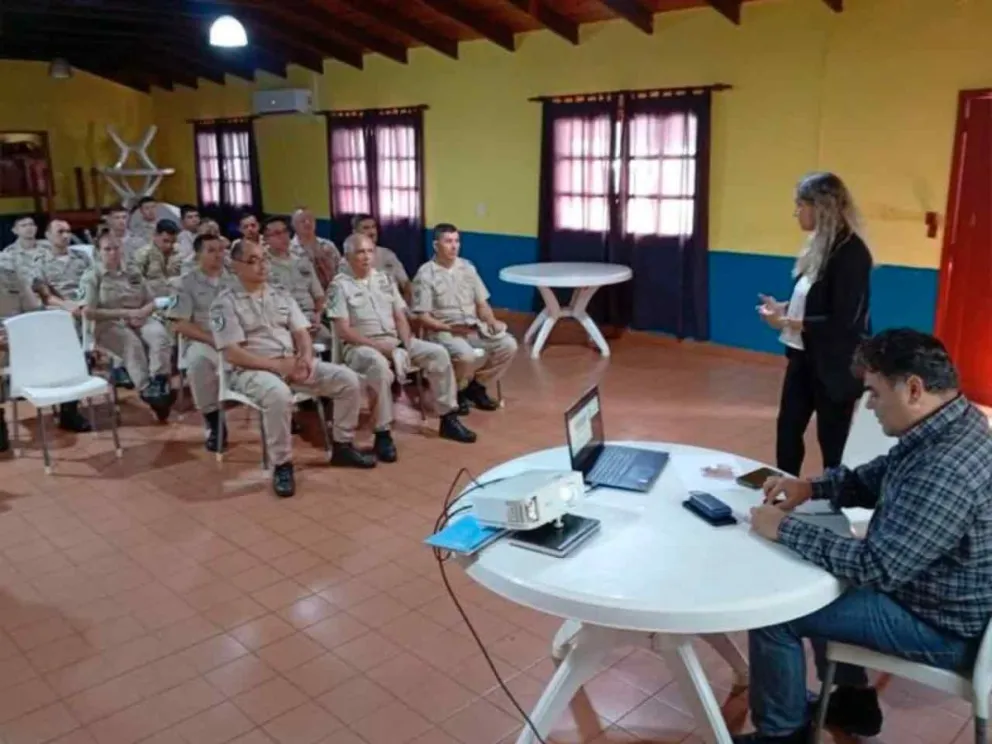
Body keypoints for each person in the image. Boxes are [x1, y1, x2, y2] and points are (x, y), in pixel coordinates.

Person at [738, 329, 992, 744]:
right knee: (819, 582)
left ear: (913, 388)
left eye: (874, 393)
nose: (869, 405)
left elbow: (877, 568)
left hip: (945, 627)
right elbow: (879, 477)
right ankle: (854, 703)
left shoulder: (946, 469)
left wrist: (784, 528)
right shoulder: (953, 423)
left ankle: (782, 735)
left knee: (776, 615)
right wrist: (812, 487)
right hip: (935, 593)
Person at [209, 240, 375, 498]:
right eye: (253, 260)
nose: (261, 265)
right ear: (236, 266)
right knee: (279, 396)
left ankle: (342, 445)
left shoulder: (280, 294)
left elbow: (301, 332)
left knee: (348, 380)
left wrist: (306, 358)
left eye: (264, 259)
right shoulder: (224, 304)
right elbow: (233, 353)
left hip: (291, 364)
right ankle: (282, 464)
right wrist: (277, 366)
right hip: (252, 370)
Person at [757, 172, 872, 477]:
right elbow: (814, 297)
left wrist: (786, 322)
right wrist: (783, 307)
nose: (796, 212)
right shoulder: (817, 245)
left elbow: (844, 319)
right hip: (803, 356)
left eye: (800, 205)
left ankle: (834, 501)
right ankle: (783, 487)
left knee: (832, 440)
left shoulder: (851, 252)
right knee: (788, 428)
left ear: (820, 207)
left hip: (836, 364)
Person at [328, 234, 477, 461]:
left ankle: (448, 416)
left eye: (370, 251)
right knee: (378, 367)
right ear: (348, 256)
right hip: (360, 346)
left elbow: (400, 318)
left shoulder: (385, 281)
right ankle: (383, 433)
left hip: (393, 341)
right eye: (360, 252)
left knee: (437, 353)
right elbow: (343, 331)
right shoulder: (340, 286)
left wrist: (404, 346)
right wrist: (386, 350)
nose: (366, 257)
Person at [412, 223, 517, 414]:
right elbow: (422, 317)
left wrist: (491, 321)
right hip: (443, 331)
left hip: (472, 327)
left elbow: (482, 304)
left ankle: (477, 386)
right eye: (448, 241)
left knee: (508, 345)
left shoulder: (467, 268)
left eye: (457, 241)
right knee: (465, 355)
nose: (454, 246)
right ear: (436, 245)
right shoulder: (426, 274)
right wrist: (449, 329)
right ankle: (457, 392)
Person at [80, 231, 174, 421]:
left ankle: (159, 382)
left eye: (116, 248)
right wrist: (126, 314)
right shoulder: (92, 276)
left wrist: (143, 313)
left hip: (139, 317)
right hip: (108, 323)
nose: (113, 253)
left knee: (159, 336)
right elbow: (88, 312)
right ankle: (146, 389)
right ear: (98, 252)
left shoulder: (133, 271)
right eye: (107, 249)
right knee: (132, 344)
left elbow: (150, 300)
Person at [166, 234, 238, 453]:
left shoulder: (235, 280)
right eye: (211, 250)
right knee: (198, 363)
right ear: (198, 255)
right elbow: (180, 324)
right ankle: (214, 420)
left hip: (237, 338)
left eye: (220, 250)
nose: (218, 255)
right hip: (204, 339)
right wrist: (214, 340)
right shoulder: (185, 283)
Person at [28, 219, 94, 433]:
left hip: (86, 309)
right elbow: (45, 295)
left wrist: (86, 304)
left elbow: (97, 284)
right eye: (60, 232)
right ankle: (69, 410)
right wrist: (67, 305)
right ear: (47, 236)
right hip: (59, 313)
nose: (65, 235)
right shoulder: (40, 260)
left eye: (68, 231)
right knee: (73, 343)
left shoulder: (82, 258)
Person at [0, 250, 45, 451]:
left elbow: (34, 311)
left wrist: (15, 332)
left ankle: (69, 411)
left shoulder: (11, 276)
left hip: (17, 338)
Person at [263, 216, 329, 345]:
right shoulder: (263, 265)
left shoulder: (302, 260)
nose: (283, 236)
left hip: (310, 318)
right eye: (277, 234)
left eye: (285, 231)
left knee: (329, 341)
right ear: (266, 239)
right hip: (283, 323)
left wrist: (318, 316)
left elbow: (319, 296)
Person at [350, 214, 411, 300]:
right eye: (366, 228)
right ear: (355, 233)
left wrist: (405, 308)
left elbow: (406, 285)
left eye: (373, 227)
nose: (372, 232)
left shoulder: (388, 254)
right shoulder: (348, 261)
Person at [291, 207, 341, 291]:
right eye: (303, 221)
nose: (308, 223)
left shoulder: (328, 245)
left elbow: (341, 269)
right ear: (294, 225)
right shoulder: (290, 250)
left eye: (310, 219)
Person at [133, 219, 183, 298]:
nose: (169, 245)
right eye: (165, 241)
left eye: (173, 242)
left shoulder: (180, 253)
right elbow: (135, 282)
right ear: (156, 235)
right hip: (150, 300)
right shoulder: (143, 254)